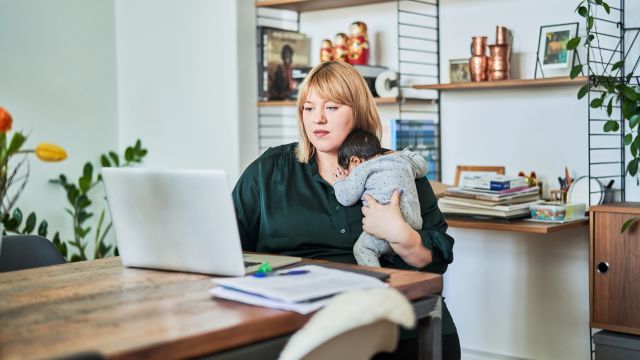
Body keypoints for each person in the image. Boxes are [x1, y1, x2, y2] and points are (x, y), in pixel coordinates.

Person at [232, 61, 460, 359]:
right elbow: (229, 245)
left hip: (397, 327)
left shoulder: (396, 169)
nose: (318, 119)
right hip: (299, 328)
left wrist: (401, 235)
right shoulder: (270, 169)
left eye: (333, 107)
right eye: (309, 108)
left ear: (358, 111)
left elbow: (437, 262)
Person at [333, 129, 428, 267]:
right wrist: (404, 153)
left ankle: (376, 281)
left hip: (384, 226)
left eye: (347, 171)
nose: (348, 175)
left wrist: (339, 182)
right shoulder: (401, 159)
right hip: (414, 226)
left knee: (362, 249)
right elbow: (423, 167)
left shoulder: (362, 168)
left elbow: (346, 198)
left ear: (354, 160)